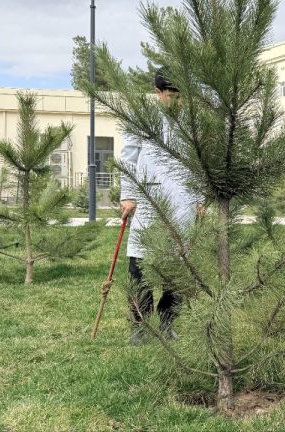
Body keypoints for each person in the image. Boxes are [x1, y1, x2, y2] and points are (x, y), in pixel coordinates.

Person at [120, 67, 201, 346]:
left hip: (182, 202)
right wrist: (128, 195)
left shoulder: (193, 121)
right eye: (171, 95)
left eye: (181, 95)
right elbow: (128, 159)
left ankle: (167, 324)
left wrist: (200, 197)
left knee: (177, 269)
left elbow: (201, 162)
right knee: (139, 268)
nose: (177, 101)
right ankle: (140, 328)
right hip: (149, 201)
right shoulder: (141, 116)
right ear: (158, 92)